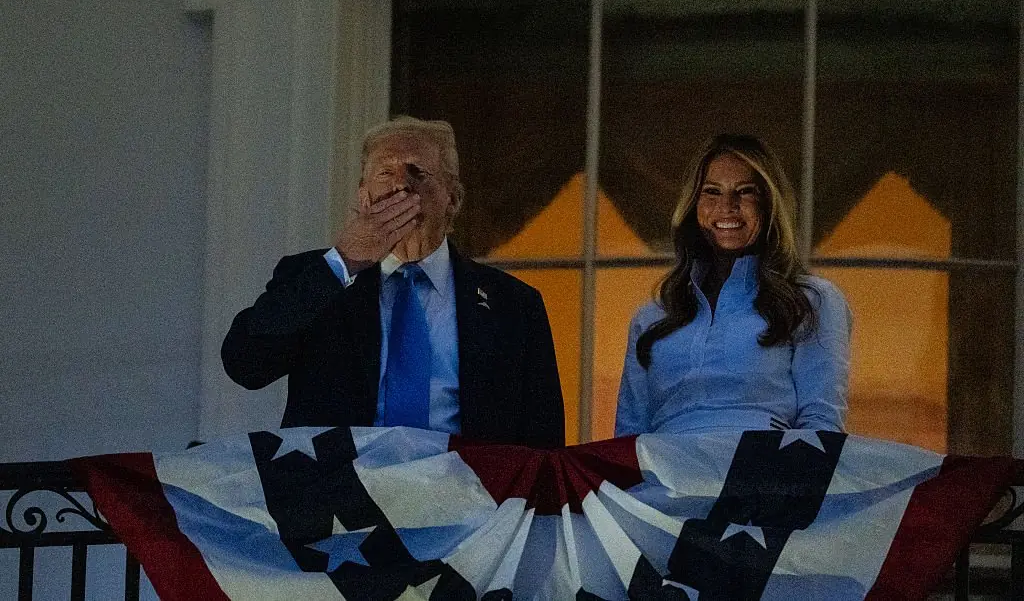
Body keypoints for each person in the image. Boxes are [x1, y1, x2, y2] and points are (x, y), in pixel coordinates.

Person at [222, 116, 565, 448]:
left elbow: (544, 446)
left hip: (467, 497)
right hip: (340, 496)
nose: (401, 185)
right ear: (364, 197)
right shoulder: (317, 274)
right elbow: (245, 364)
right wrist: (343, 263)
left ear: (452, 199)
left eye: (419, 172)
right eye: (386, 172)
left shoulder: (514, 304)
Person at [615, 134, 851, 436]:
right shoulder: (650, 318)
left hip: (765, 475)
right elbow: (626, 442)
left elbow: (822, 427)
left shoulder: (811, 300)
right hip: (664, 479)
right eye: (712, 192)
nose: (727, 206)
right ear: (693, 206)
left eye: (745, 191)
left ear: (769, 204)